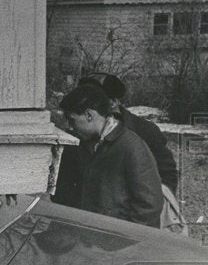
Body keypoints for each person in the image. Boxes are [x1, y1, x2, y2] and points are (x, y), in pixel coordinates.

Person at [59, 85, 163, 228]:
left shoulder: (131, 146)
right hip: (91, 238)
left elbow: (150, 206)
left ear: (89, 115)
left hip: (117, 243)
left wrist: (120, 241)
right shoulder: (85, 144)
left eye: (72, 120)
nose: (70, 127)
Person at [79, 72, 178, 194]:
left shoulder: (144, 130)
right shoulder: (78, 130)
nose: (84, 106)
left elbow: (166, 174)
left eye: (92, 100)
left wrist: (153, 206)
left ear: (113, 102)